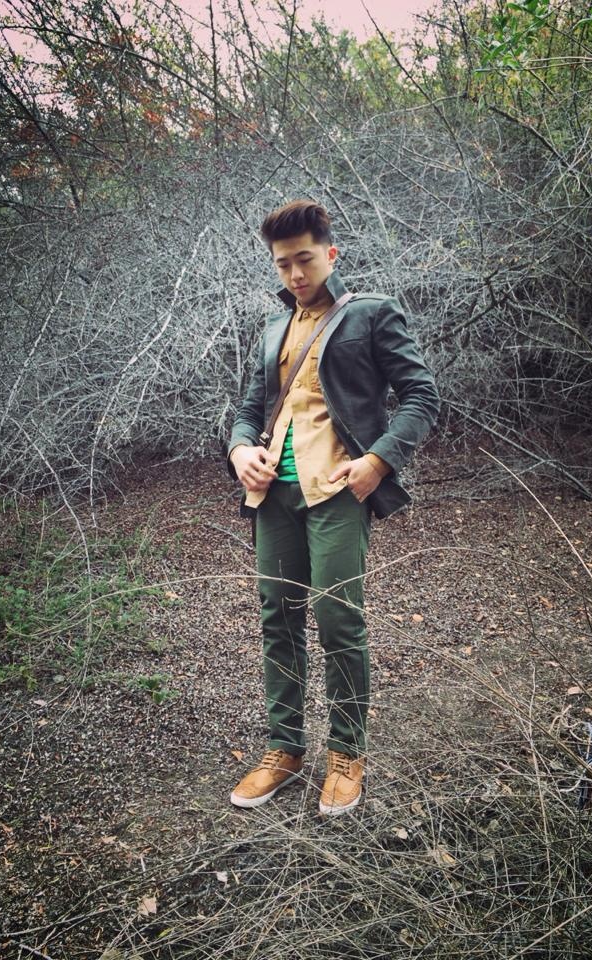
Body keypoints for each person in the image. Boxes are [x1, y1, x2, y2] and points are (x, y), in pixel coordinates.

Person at [226, 199, 439, 816]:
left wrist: (378, 461)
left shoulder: (370, 313)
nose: (296, 274)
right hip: (274, 493)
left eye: (305, 259)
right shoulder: (273, 328)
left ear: (330, 253)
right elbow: (249, 411)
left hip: (339, 489)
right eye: (283, 264)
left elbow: (421, 395)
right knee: (278, 617)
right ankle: (285, 748)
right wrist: (240, 450)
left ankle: (346, 754)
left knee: (337, 618)